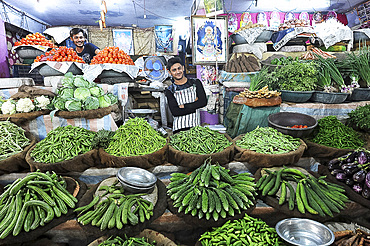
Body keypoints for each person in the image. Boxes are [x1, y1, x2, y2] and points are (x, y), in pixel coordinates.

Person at [165, 57, 207, 134]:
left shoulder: (196, 83)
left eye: (179, 68)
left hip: (195, 128)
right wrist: (194, 106)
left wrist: (183, 106)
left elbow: (203, 102)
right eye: (174, 70)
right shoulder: (170, 90)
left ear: (183, 68)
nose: (178, 72)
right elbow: (175, 112)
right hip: (179, 129)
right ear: (169, 72)